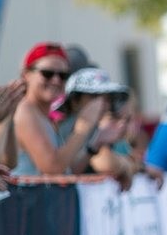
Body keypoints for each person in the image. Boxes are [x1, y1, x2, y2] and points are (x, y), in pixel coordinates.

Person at [10, 43, 107, 177]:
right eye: (47, 74)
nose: (56, 80)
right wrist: (83, 128)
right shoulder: (25, 111)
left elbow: (67, 170)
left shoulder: (43, 115)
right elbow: (52, 168)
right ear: (26, 74)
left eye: (63, 75)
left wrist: (95, 145)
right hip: (25, 197)